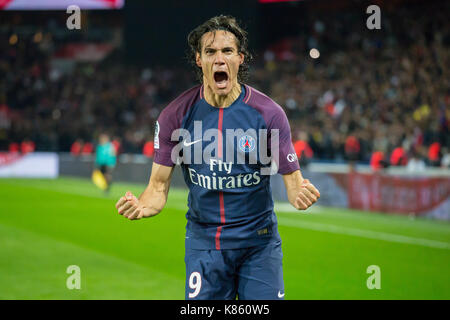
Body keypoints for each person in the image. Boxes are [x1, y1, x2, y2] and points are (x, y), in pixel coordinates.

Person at [115, 15, 320, 300]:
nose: (219, 59)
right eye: (210, 52)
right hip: (204, 245)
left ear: (240, 58)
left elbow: (294, 182)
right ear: (199, 60)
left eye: (227, 51)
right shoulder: (175, 116)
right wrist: (144, 205)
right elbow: (158, 187)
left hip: (258, 244)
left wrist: (301, 193)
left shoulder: (269, 114)